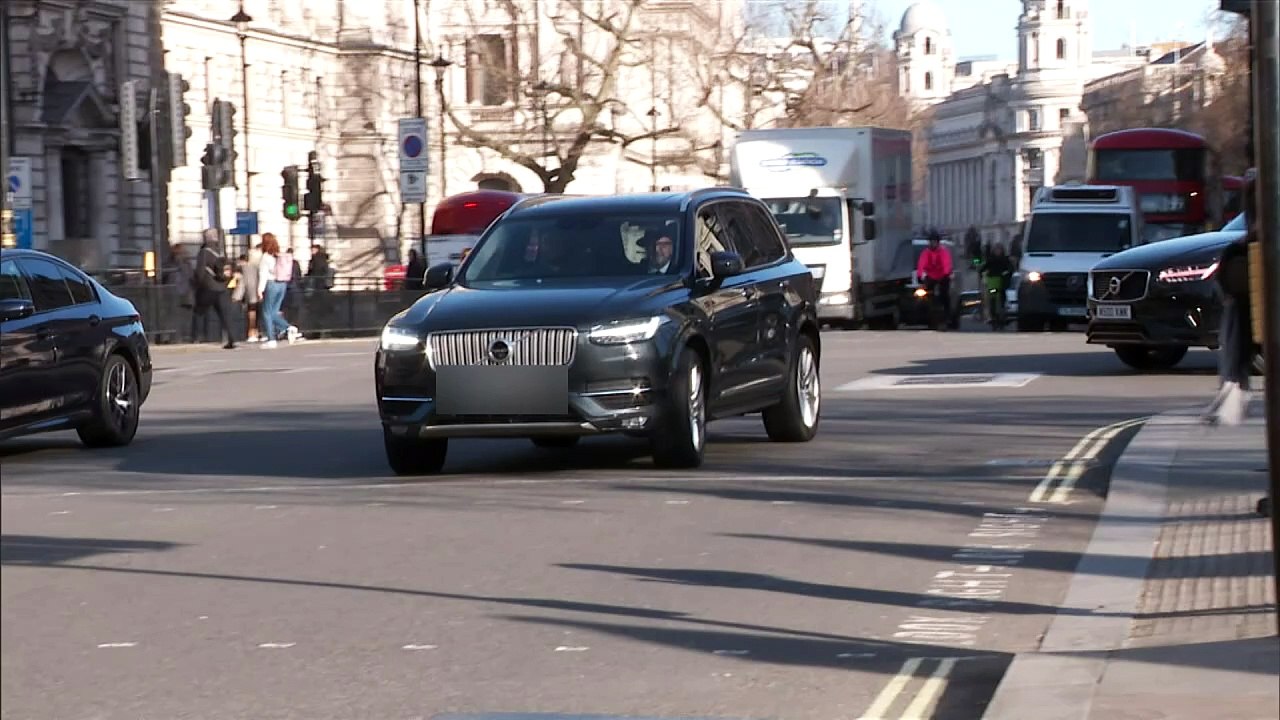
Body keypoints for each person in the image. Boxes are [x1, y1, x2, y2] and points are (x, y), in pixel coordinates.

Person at [1202, 173, 1258, 426]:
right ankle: (1232, 394)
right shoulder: (1239, 247)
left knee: (1236, 347)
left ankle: (1232, 396)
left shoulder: (1242, 247)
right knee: (1236, 347)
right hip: (1243, 296)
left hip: (1246, 296)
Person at [190, 229, 236, 349]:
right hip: (222, 287)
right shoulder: (220, 251)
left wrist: (198, 283)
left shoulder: (204, 252)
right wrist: (225, 283)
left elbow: (200, 271)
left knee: (199, 311)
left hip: (208, 287)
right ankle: (231, 338)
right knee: (224, 315)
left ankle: (197, 338)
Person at [256, 233, 299, 349]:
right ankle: (288, 328)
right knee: (274, 312)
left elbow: (263, 274)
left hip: (271, 284)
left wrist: (260, 290)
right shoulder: (279, 255)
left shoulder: (265, 257)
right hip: (282, 284)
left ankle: (272, 339)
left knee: (266, 313)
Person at [916, 230, 954, 323]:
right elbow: (921, 264)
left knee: (945, 294)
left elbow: (946, 264)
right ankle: (925, 310)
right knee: (924, 293)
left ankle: (947, 313)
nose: (932, 244)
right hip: (931, 276)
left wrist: (946, 274)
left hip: (942, 276)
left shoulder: (943, 252)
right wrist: (919, 276)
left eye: (934, 242)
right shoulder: (926, 253)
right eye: (931, 242)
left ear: (938, 242)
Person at [979, 242, 1015, 328]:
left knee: (1002, 298)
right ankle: (994, 316)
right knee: (993, 298)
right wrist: (982, 274)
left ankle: (1001, 316)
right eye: (996, 250)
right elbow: (983, 268)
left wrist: (1007, 273)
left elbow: (1011, 269)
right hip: (993, 284)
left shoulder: (1005, 260)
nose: (998, 251)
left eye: (999, 250)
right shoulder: (991, 260)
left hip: (1002, 284)